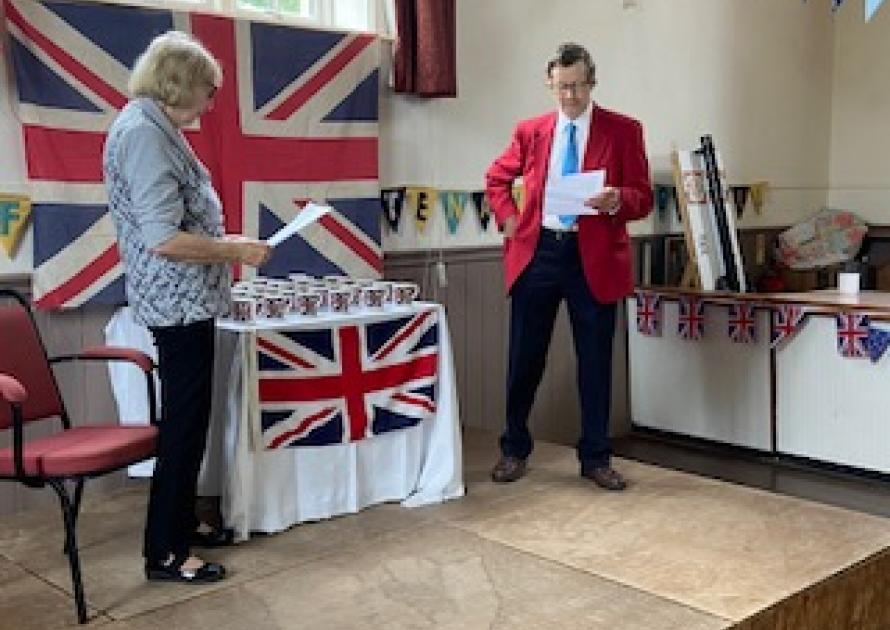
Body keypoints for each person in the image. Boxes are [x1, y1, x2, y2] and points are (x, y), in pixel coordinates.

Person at [103, 31, 271, 582]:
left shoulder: (153, 125)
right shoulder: (144, 134)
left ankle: (180, 524)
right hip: (176, 303)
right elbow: (163, 237)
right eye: (206, 88)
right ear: (178, 83)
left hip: (187, 299)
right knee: (183, 425)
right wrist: (235, 249)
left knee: (192, 421)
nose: (211, 101)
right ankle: (166, 551)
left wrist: (227, 244)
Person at [485, 43, 653, 490]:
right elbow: (496, 179)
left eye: (577, 87)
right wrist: (507, 220)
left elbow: (643, 196)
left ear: (592, 82)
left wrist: (618, 199)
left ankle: (596, 458)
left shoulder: (623, 130)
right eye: (561, 88)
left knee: (595, 363)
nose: (569, 97)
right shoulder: (531, 131)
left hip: (592, 258)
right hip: (538, 253)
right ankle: (513, 449)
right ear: (550, 84)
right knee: (524, 357)